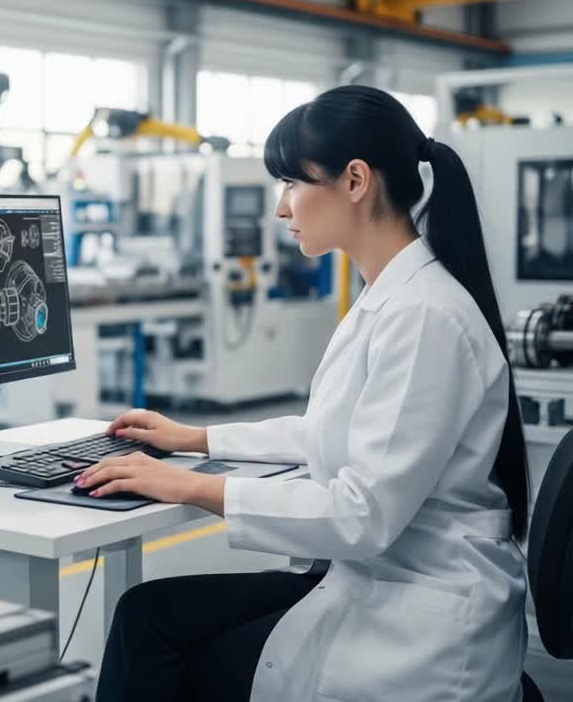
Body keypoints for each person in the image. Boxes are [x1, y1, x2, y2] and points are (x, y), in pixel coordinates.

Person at [83, 85, 530, 702]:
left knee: (158, 639)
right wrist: (195, 437)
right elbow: (330, 429)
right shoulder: (391, 296)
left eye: (293, 183)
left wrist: (190, 485)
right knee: (145, 616)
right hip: (379, 575)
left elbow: (361, 515)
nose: (281, 207)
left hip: (417, 615)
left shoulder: (425, 316)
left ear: (354, 181)